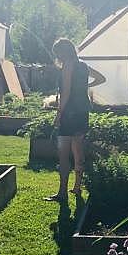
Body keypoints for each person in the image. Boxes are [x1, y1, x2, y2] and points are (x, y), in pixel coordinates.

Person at [46, 38, 106, 202]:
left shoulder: (68, 65)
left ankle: (62, 193)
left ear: (62, 52)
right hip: (82, 111)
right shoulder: (83, 65)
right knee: (78, 150)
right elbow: (102, 79)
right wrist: (84, 87)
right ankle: (77, 187)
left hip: (69, 113)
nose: (57, 56)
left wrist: (58, 115)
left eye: (57, 52)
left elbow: (65, 93)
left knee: (63, 154)